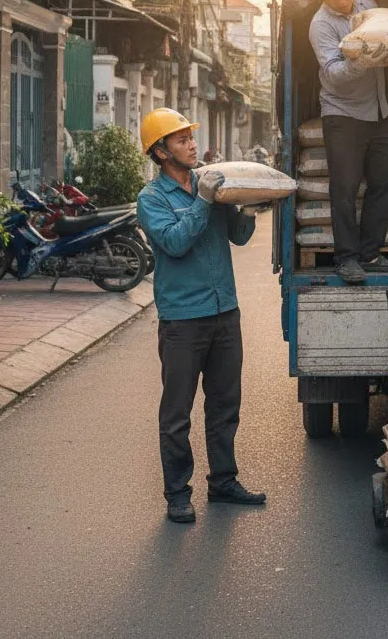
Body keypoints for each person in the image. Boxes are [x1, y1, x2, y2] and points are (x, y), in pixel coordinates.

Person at [136, 108, 266, 524]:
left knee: (226, 404)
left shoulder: (209, 183)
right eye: (181, 140)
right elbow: (174, 244)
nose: (193, 145)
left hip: (225, 311)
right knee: (177, 413)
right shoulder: (151, 200)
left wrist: (246, 206)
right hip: (183, 319)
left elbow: (239, 237)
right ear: (160, 152)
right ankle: (177, 493)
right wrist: (205, 201)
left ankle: (223, 482)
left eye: (191, 138)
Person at [307, 0, 388, 285]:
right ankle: (347, 258)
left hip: (378, 111)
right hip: (343, 114)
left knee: (386, 179)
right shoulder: (321, 25)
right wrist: (363, 61)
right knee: (346, 187)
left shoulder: (367, 3)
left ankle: (371, 254)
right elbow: (334, 74)